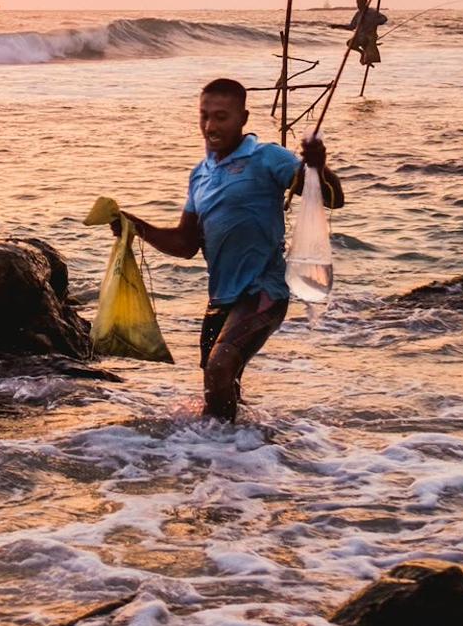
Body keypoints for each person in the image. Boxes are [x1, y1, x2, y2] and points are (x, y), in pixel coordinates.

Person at [112, 77, 343, 421]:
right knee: (220, 384)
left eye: (221, 117)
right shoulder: (200, 175)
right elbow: (186, 244)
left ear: (243, 118)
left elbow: (334, 198)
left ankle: (220, 453)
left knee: (219, 368)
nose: (209, 126)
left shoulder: (267, 158)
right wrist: (136, 227)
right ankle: (241, 459)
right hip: (221, 299)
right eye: (203, 115)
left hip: (264, 291)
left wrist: (316, 167)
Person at [346, 0, 388, 67]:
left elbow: (384, 19)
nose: (358, 5)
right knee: (350, 43)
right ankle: (362, 53)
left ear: (364, 3)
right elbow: (352, 26)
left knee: (366, 44)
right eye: (357, 3)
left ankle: (367, 57)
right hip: (361, 36)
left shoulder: (372, 12)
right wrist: (338, 26)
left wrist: (376, 22)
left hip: (369, 36)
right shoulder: (358, 14)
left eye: (359, 3)